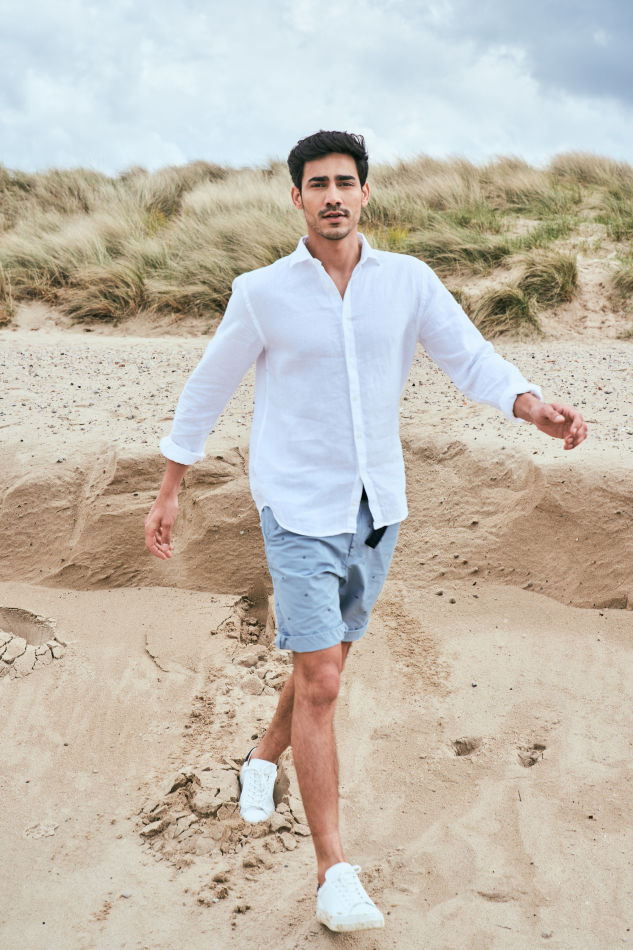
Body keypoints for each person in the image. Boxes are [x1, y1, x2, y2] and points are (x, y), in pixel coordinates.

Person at [145, 130, 587, 933]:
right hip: (296, 507)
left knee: (325, 665)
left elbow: (470, 358)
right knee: (321, 681)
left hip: (376, 508)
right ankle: (332, 872)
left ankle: (260, 758)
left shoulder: (407, 281)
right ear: (296, 198)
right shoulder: (261, 292)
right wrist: (170, 487)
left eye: (344, 182)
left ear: (366, 192)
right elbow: (207, 387)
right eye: (317, 184)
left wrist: (530, 406)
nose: (332, 196)